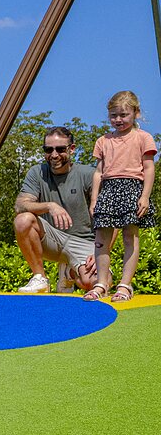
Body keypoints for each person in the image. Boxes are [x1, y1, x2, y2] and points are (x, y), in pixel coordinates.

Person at [82, 90, 156, 302]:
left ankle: (125, 285)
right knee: (101, 239)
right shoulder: (103, 140)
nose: (118, 120)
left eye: (123, 115)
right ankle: (101, 284)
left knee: (129, 236)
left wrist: (145, 197)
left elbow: (149, 169)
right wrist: (94, 199)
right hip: (108, 189)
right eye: (114, 115)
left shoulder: (143, 138)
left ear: (135, 113)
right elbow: (98, 172)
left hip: (133, 187)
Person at [14, 126, 97, 294]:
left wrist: (102, 252)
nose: (54, 155)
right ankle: (40, 278)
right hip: (52, 239)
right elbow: (20, 205)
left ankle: (70, 272)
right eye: (48, 149)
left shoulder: (89, 175)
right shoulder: (37, 173)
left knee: (92, 283)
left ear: (72, 149)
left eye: (60, 149)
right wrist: (49, 206)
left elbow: (111, 217)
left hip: (84, 242)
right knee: (23, 220)